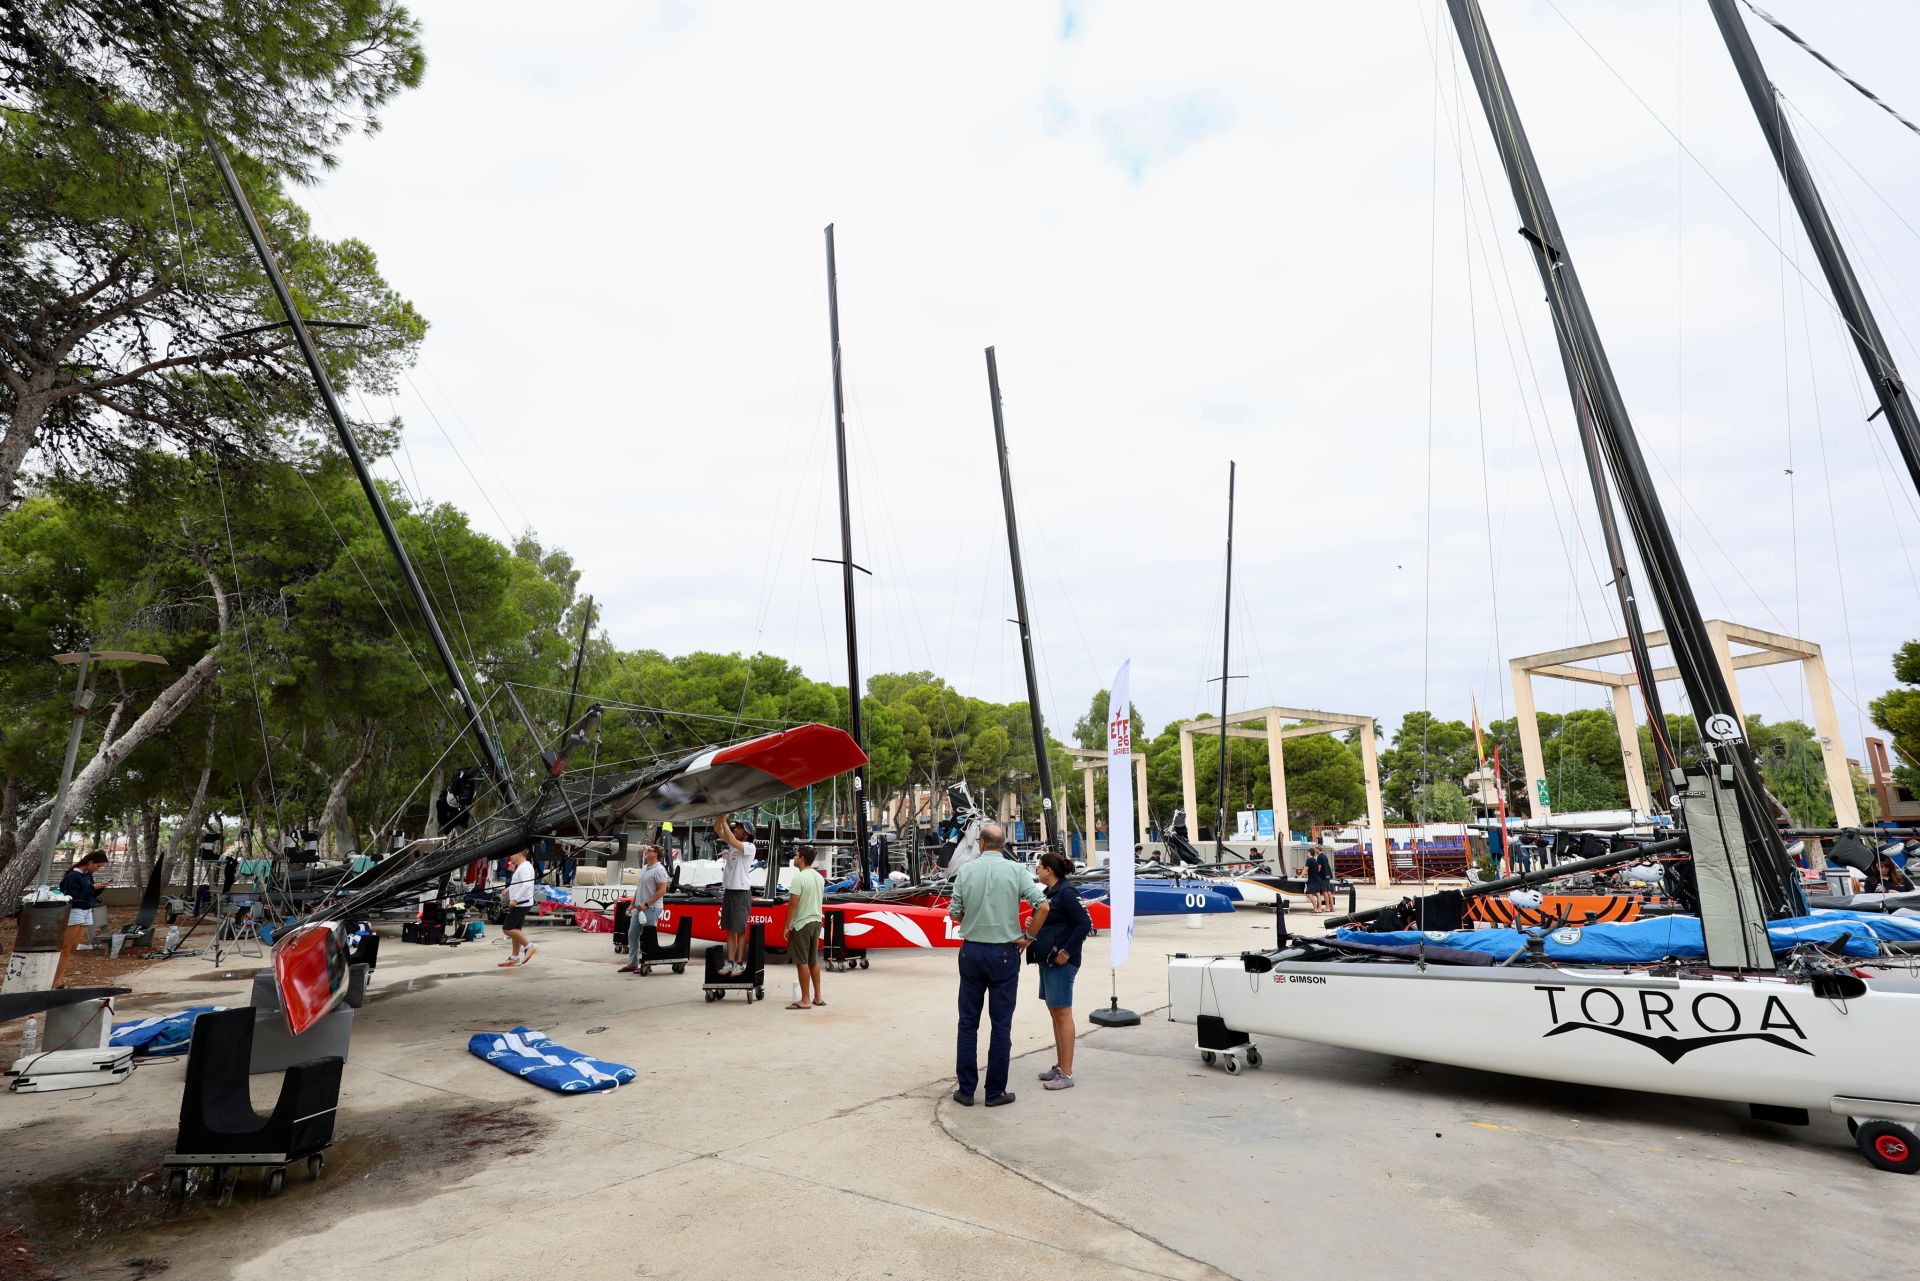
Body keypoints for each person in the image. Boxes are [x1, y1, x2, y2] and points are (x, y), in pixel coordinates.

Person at [947, 823, 1047, 1108]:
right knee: (1001, 1025)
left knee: (968, 1023)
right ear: (1003, 845)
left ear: (980, 843)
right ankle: (995, 1092)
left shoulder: (966, 871)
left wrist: (973, 916)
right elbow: (1043, 905)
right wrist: (1029, 937)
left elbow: (955, 914)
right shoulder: (1016, 871)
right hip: (1004, 953)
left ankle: (966, 1090)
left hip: (972, 951)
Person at [1029, 851, 1092, 1091]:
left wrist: (1066, 951)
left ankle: (1067, 1073)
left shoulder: (1066, 892)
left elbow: (1084, 923)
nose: (1037, 871)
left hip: (1061, 962)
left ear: (1049, 870)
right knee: (1055, 1012)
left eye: (1039, 867)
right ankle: (1060, 1065)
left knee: (1063, 1014)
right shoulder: (1051, 894)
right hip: (1048, 960)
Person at [784, 846, 826, 1009]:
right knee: (813, 960)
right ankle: (818, 997)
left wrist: (786, 926)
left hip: (802, 923)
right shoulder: (818, 877)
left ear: (801, 858)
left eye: (796, 855)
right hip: (816, 921)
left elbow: (793, 904)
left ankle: (805, 1000)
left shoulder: (799, 878)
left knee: (802, 962)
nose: (794, 857)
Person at [619, 846, 671, 973]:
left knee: (648, 937)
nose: (647, 851)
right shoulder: (644, 868)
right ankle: (632, 964)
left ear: (656, 854)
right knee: (632, 934)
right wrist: (632, 903)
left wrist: (647, 904)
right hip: (639, 907)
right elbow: (640, 888)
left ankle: (647, 963)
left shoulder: (659, 870)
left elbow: (662, 890)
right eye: (647, 850)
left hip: (651, 908)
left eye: (651, 850)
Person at [714, 814, 756, 975]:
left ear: (746, 834)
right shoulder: (734, 844)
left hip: (741, 892)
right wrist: (720, 815)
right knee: (730, 929)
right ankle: (730, 963)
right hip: (730, 891)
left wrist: (724, 819)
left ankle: (739, 963)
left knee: (740, 930)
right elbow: (717, 830)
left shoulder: (749, 846)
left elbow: (731, 840)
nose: (735, 829)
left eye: (739, 827)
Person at [58, 852, 108, 963]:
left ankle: (58, 977)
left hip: (87, 909)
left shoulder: (88, 875)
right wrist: (92, 887)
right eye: (98, 866)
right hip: (75, 910)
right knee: (66, 946)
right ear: (90, 862)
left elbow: (89, 894)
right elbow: (72, 896)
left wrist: (99, 888)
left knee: (73, 947)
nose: (98, 869)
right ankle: (55, 977)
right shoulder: (72, 876)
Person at [498, 849, 537, 967]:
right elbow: (519, 882)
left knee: (507, 928)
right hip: (522, 903)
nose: (510, 857)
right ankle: (515, 957)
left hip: (521, 903)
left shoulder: (524, 867)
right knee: (516, 930)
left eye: (512, 854)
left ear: (519, 854)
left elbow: (527, 885)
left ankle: (529, 946)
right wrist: (509, 889)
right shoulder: (522, 866)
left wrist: (515, 899)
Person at [1303, 847, 1334, 913]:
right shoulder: (1324, 856)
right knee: (1326, 892)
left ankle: (1325, 907)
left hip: (1322, 876)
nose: (1315, 850)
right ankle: (1330, 907)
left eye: (1316, 849)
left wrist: (1314, 872)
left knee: (1323, 892)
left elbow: (1319, 868)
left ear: (1318, 849)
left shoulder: (1319, 857)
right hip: (1327, 875)